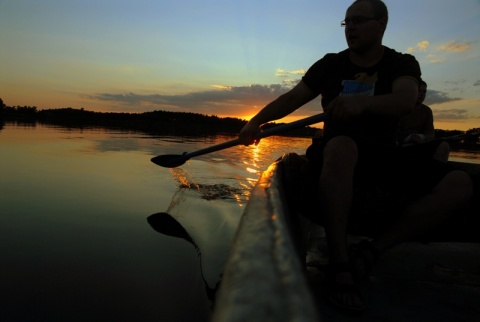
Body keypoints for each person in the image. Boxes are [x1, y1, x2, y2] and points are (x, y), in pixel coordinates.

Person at [238, 0, 473, 314]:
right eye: (346, 23)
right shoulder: (330, 63)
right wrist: (256, 121)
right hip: (335, 151)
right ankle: (340, 264)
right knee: (342, 145)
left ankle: (372, 251)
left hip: (383, 156)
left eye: (358, 21)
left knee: (460, 184)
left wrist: (363, 104)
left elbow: (405, 100)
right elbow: (294, 97)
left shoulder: (401, 63)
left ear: (381, 24)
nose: (350, 28)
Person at [397, 80, 450, 162]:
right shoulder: (399, 107)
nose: (422, 94)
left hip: (419, 145)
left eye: (424, 91)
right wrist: (408, 138)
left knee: (444, 145)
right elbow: (391, 132)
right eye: (419, 91)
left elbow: (431, 134)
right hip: (400, 146)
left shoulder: (427, 111)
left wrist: (421, 137)